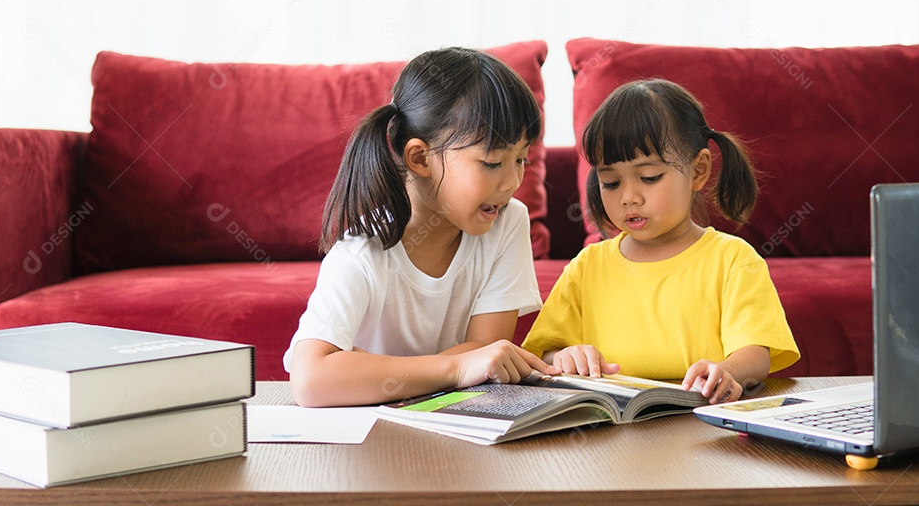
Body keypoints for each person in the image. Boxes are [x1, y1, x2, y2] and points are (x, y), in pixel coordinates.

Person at [285, 47, 558, 407]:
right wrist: (455, 369)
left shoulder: (507, 223)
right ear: (420, 158)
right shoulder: (364, 249)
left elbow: (485, 350)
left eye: (521, 159)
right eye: (492, 163)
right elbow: (310, 380)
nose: (512, 182)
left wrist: (368, 370)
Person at [522, 79, 799, 404]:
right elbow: (546, 354)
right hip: (611, 432)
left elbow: (756, 353)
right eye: (610, 182)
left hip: (699, 424)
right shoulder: (586, 267)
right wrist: (566, 357)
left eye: (649, 178)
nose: (629, 198)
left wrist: (727, 370)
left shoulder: (733, 259)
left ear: (698, 171)